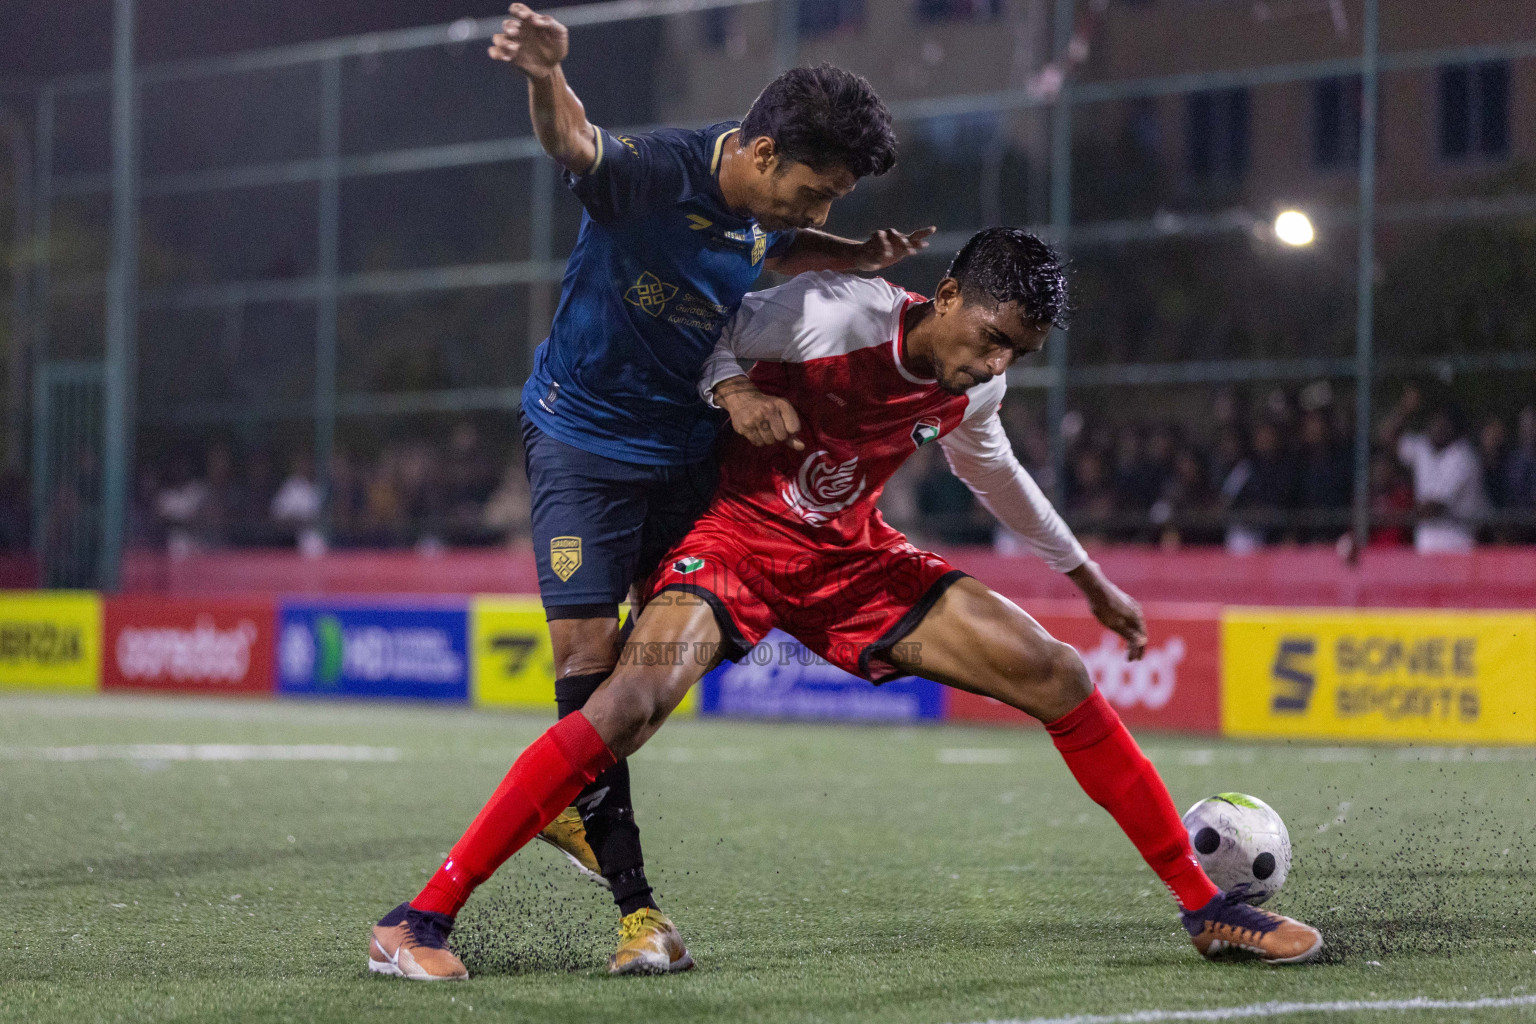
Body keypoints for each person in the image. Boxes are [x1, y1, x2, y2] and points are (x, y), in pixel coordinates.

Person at [367, 229, 1323, 980]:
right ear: (945, 296)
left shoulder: (974, 388)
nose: (995, 367)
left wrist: (1087, 579)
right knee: (623, 708)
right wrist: (735, 392)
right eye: (990, 339)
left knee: (1057, 672)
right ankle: (420, 916)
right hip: (736, 541)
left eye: (1016, 354)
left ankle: (1206, 909)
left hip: (854, 560)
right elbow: (704, 334)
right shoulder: (831, 313)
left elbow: (999, 478)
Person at [374, 3, 933, 976]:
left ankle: (569, 801)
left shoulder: (773, 215)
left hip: (686, 457)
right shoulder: (655, 175)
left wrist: (847, 257)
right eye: (815, 190)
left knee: (671, 661)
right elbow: (579, 142)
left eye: (837, 198)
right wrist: (548, 76)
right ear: (760, 152)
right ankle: (618, 911)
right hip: (582, 448)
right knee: (593, 671)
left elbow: (777, 250)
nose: (820, 210)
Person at [1381, 388, 1486, 553]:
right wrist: (1404, 409)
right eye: (1434, 420)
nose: (1437, 426)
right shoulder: (1423, 447)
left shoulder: (1463, 456)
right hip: (1426, 546)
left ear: (1454, 426)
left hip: (1457, 546)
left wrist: (1393, 512)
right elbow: (1387, 437)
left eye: (1443, 422)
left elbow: (1433, 509)